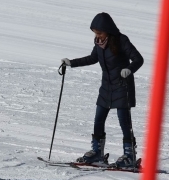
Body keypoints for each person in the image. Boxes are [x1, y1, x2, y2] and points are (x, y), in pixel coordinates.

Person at [61, 12, 144, 168]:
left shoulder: (121, 40)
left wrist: (129, 69)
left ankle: (130, 156)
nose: (97, 35)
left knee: (124, 122)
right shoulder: (99, 43)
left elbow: (139, 59)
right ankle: (97, 153)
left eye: (99, 32)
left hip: (122, 86)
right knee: (98, 118)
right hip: (106, 87)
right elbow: (92, 58)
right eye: (95, 33)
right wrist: (71, 63)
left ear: (108, 29)